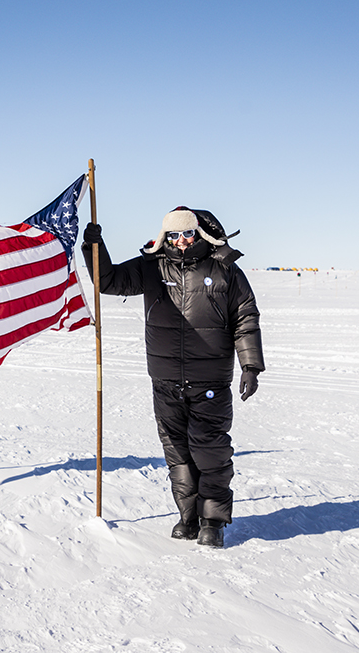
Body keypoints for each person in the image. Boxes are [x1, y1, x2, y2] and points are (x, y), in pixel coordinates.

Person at [81, 206, 264, 548]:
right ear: (165, 237)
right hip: (164, 378)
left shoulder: (223, 269)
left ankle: (212, 521)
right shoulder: (152, 267)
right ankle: (188, 516)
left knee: (210, 451)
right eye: (174, 236)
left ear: (199, 234)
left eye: (187, 234)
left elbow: (246, 317)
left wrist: (250, 366)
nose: (181, 242)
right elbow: (108, 281)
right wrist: (95, 248)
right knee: (177, 452)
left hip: (209, 378)